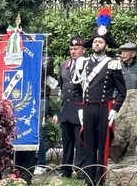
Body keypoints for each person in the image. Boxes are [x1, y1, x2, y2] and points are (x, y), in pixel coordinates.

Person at [73, 11, 127, 186]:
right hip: (88, 108)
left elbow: (122, 91)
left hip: (104, 108)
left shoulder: (113, 63)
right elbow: (76, 90)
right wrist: (80, 109)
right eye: (95, 41)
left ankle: (100, 179)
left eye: (100, 41)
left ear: (106, 45)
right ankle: (89, 179)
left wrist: (114, 110)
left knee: (102, 146)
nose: (97, 44)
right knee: (88, 145)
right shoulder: (83, 63)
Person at [58, 35, 86, 178]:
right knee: (66, 141)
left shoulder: (87, 65)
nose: (73, 52)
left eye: (76, 49)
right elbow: (62, 86)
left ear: (83, 50)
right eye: (71, 49)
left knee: (80, 141)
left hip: (79, 108)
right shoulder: (64, 65)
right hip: (66, 108)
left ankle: (81, 169)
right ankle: (66, 169)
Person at [34, 55, 56, 176]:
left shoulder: (46, 58)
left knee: (39, 131)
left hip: (41, 97)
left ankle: (41, 163)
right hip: (29, 95)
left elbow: (43, 71)